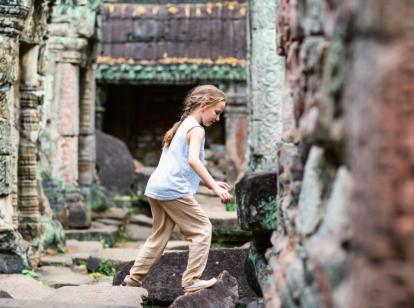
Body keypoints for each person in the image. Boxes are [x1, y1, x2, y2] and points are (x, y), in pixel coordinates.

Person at [122, 85, 233, 293]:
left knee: (159, 236)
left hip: (157, 188)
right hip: (173, 190)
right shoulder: (196, 129)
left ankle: (132, 281)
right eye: (217, 112)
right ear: (203, 105)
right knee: (202, 229)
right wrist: (216, 189)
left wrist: (212, 183)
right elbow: (193, 160)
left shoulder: (181, 126)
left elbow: (180, 165)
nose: (218, 118)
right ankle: (191, 280)